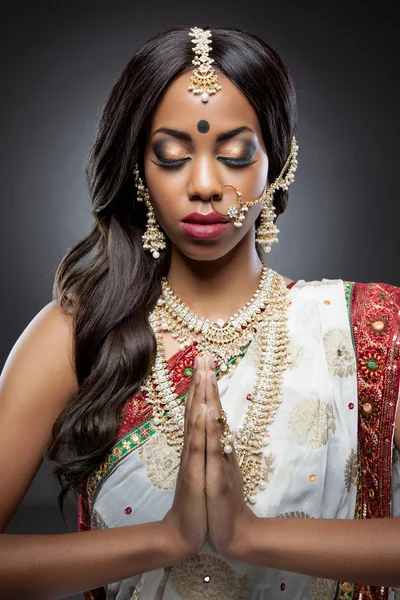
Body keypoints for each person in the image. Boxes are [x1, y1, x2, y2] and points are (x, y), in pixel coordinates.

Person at [0, 24, 399, 600]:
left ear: (277, 164)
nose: (206, 184)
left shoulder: (364, 327)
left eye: (236, 155)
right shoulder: (78, 334)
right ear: (138, 170)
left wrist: (249, 537)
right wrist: (168, 538)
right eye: (171, 156)